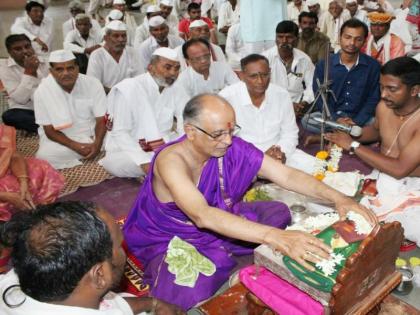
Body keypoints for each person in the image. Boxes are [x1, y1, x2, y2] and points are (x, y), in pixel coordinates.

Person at [123, 93, 377, 310]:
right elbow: (202, 215)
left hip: (220, 217)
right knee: (187, 292)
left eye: (231, 131)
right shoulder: (171, 161)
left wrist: (340, 198)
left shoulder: (230, 147)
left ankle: (231, 244)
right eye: (218, 134)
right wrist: (276, 237)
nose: (228, 141)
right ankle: (226, 253)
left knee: (278, 212)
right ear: (190, 132)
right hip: (174, 237)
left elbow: (285, 174)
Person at [0, 201, 184, 315]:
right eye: (119, 246)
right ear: (100, 275)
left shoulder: (12, 281)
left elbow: (114, 307)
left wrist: (151, 302)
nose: (123, 251)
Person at [325, 57, 419, 242]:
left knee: (406, 228)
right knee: (330, 199)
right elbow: (376, 131)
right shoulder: (384, 107)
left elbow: (400, 170)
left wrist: (353, 145)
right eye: (381, 87)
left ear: (415, 90)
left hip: (413, 185)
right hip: (381, 176)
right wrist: (351, 132)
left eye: (392, 89)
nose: (384, 94)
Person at [100, 48, 188, 178]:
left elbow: (185, 118)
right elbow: (120, 132)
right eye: (167, 67)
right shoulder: (130, 88)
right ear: (150, 68)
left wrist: (186, 145)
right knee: (118, 163)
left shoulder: (176, 87)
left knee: (197, 143)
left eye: (177, 68)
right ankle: (161, 169)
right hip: (129, 149)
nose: (173, 73)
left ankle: (162, 169)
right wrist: (143, 161)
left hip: (164, 143)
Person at [220, 54, 314, 172]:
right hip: (242, 158)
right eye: (253, 76)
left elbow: (290, 133)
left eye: (264, 75)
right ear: (242, 76)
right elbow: (223, 138)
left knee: (320, 170)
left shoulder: (281, 95)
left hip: (278, 153)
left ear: (270, 72)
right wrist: (258, 158)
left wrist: (280, 152)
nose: (260, 81)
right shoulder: (226, 98)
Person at [302, 19, 381, 134]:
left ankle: (337, 133)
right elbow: (319, 97)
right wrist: (336, 119)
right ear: (340, 38)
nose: (352, 43)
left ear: (364, 41)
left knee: (379, 123)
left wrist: (357, 121)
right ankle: (350, 133)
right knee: (308, 120)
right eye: (347, 37)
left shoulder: (373, 66)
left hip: (359, 118)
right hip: (332, 117)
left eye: (358, 39)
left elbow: (373, 99)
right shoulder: (324, 64)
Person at [34, 50, 107, 169]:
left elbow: (102, 118)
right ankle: (89, 151)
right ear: (51, 72)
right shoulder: (42, 92)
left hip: (95, 134)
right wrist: (75, 146)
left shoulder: (93, 83)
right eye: (59, 69)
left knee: (120, 136)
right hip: (65, 139)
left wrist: (97, 143)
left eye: (70, 68)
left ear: (77, 68)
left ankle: (92, 149)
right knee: (44, 156)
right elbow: (49, 131)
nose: (66, 73)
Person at [0, 124, 64, 222]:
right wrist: (6, 196)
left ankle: (32, 202)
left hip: (3, 168)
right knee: (8, 189)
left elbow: (12, 155)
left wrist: (23, 181)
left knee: (40, 167)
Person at [263, 21, 315, 118]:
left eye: (289, 37)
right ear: (275, 39)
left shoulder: (304, 59)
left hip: (297, 107)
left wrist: (303, 104)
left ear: (297, 39)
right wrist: (286, 106)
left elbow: (312, 86)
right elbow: (260, 89)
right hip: (270, 106)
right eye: (280, 37)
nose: (284, 41)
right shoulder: (264, 59)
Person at [0, 34, 48, 134]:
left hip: (50, 105)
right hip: (28, 110)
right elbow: (20, 99)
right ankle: (50, 128)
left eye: (27, 46)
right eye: (18, 49)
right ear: (10, 53)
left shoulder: (45, 62)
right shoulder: (4, 66)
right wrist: (29, 72)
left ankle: (51, 126)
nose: (25, 51)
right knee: (9, 116)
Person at [87, 20, 144, 94]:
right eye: (116, 36)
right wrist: (116, 94)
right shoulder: (97, 55)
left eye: (123, 36)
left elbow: (140, 79)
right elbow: (94, 85)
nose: (121, 39)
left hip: (130, 96)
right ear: (106, 38)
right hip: (106, 98)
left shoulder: (132, 52)